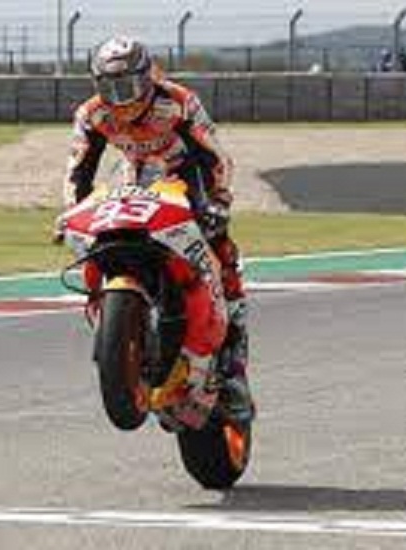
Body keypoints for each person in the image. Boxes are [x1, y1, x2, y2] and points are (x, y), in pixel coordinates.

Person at [58, 35, 254, 422]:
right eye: (109, 87)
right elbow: (78, 169)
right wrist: (72, 212)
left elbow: (215, 157)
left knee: (219, 242)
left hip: (186, 176)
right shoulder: (92, 114)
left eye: (128, 86)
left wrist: (218, 201)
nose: (120, 98)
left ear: (147, 78)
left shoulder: (179, 102)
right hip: (133, 175)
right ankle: (121, 331)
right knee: (101, 237)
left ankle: (233, 355)